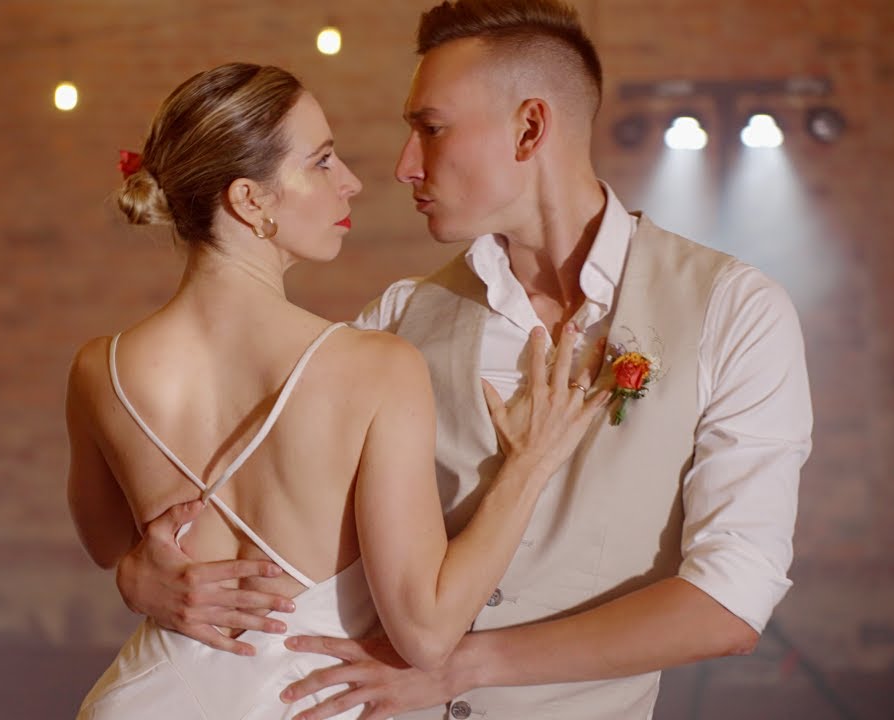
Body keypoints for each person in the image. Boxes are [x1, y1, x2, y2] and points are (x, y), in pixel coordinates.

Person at [114, 2, 813, 719]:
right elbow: (258, 501)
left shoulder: (734, 311)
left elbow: (730, 601)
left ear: (529, 128)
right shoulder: (396, 320)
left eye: (431, 128)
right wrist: (141, 575)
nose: (403, 166)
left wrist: (465, 667)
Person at [65, 62, 609, 720]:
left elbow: (110, 548)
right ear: (249, 200)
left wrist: (140, 578)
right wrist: (528, 465)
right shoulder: (375, 369)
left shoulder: (99, 369)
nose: (350, 181)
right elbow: (426, 632)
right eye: (322, 161)